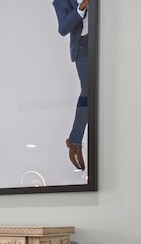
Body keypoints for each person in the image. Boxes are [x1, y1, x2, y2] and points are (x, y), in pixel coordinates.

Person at [53, 0, 88, 171]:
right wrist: (82, 7)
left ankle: (74, 140)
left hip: (105, 39)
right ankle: (74, 141)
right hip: (83, 47)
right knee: (89, 91)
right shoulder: (60, 1)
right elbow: (63, 28)